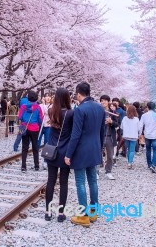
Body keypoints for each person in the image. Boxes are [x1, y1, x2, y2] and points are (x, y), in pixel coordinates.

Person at [64, 82, 105, 227]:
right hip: (94, 148)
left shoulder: (80, 110)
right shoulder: (100, 108)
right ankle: (94, 213)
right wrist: (99, 149)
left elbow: (75, 135)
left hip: (81, 150)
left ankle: (83, 216)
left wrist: (68, 154)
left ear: (78, 94)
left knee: (80, 182)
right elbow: (102, 132)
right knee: (93, 181)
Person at [44, 88, 73, 222]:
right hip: (65, 151)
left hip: (52, 150)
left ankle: (48, 212)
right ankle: (61, 213)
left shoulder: (51, 111)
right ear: (67, 98)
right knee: (63, 183)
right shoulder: (70, 113)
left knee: (51, 180)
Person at [17, 90, 43, 171]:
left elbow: (19, 117)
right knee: (35, 147)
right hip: (34, 129)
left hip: (24, 128)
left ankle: (23, 166)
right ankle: (36, 165)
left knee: (24, 147)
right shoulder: (38, 108)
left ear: (28, 98)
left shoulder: (23, 107)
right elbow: (40, 119)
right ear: (36, 99)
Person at [139, 102, 156, 173]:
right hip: (155, 135)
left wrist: (140, 134)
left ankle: (149, 164)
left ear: (147, 107)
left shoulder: (144, 115)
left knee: (148, 150)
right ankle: (153, 165)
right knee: (155, 151)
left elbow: (141, 125)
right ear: (154, 107)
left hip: (147, 135)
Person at [100, 95, 119, 180]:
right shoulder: (98, 111)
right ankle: (96, 172)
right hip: (99, 135)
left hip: (109, 136)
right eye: (101, 101)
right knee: (98, 154)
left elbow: (117, 124)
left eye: (105, 100)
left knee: (110, 156)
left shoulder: (113, 112)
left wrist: (111, 121)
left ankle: (108, 171)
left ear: (108, 101)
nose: (103, 102)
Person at [120, 105, 139, 169]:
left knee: (128, 149)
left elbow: (121, 127)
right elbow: (138, 128)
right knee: (132, 150)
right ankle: (130, 162)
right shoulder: (136, 119)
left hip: (126, 136)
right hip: (134, 136)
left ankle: (128, 161)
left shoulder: (124, 118)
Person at [38, 93, 52, 169]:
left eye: (49, 96)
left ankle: (46, 161)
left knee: (47, 144)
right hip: (41, 126)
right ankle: (36, 161)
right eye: (46, 96)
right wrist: (42, 104)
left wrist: (43, 104)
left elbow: (48, 112)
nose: (48, 98)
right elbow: (40, 113)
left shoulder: (52, 106)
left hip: (48, 126)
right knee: (37, 143)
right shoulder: (40, 106)